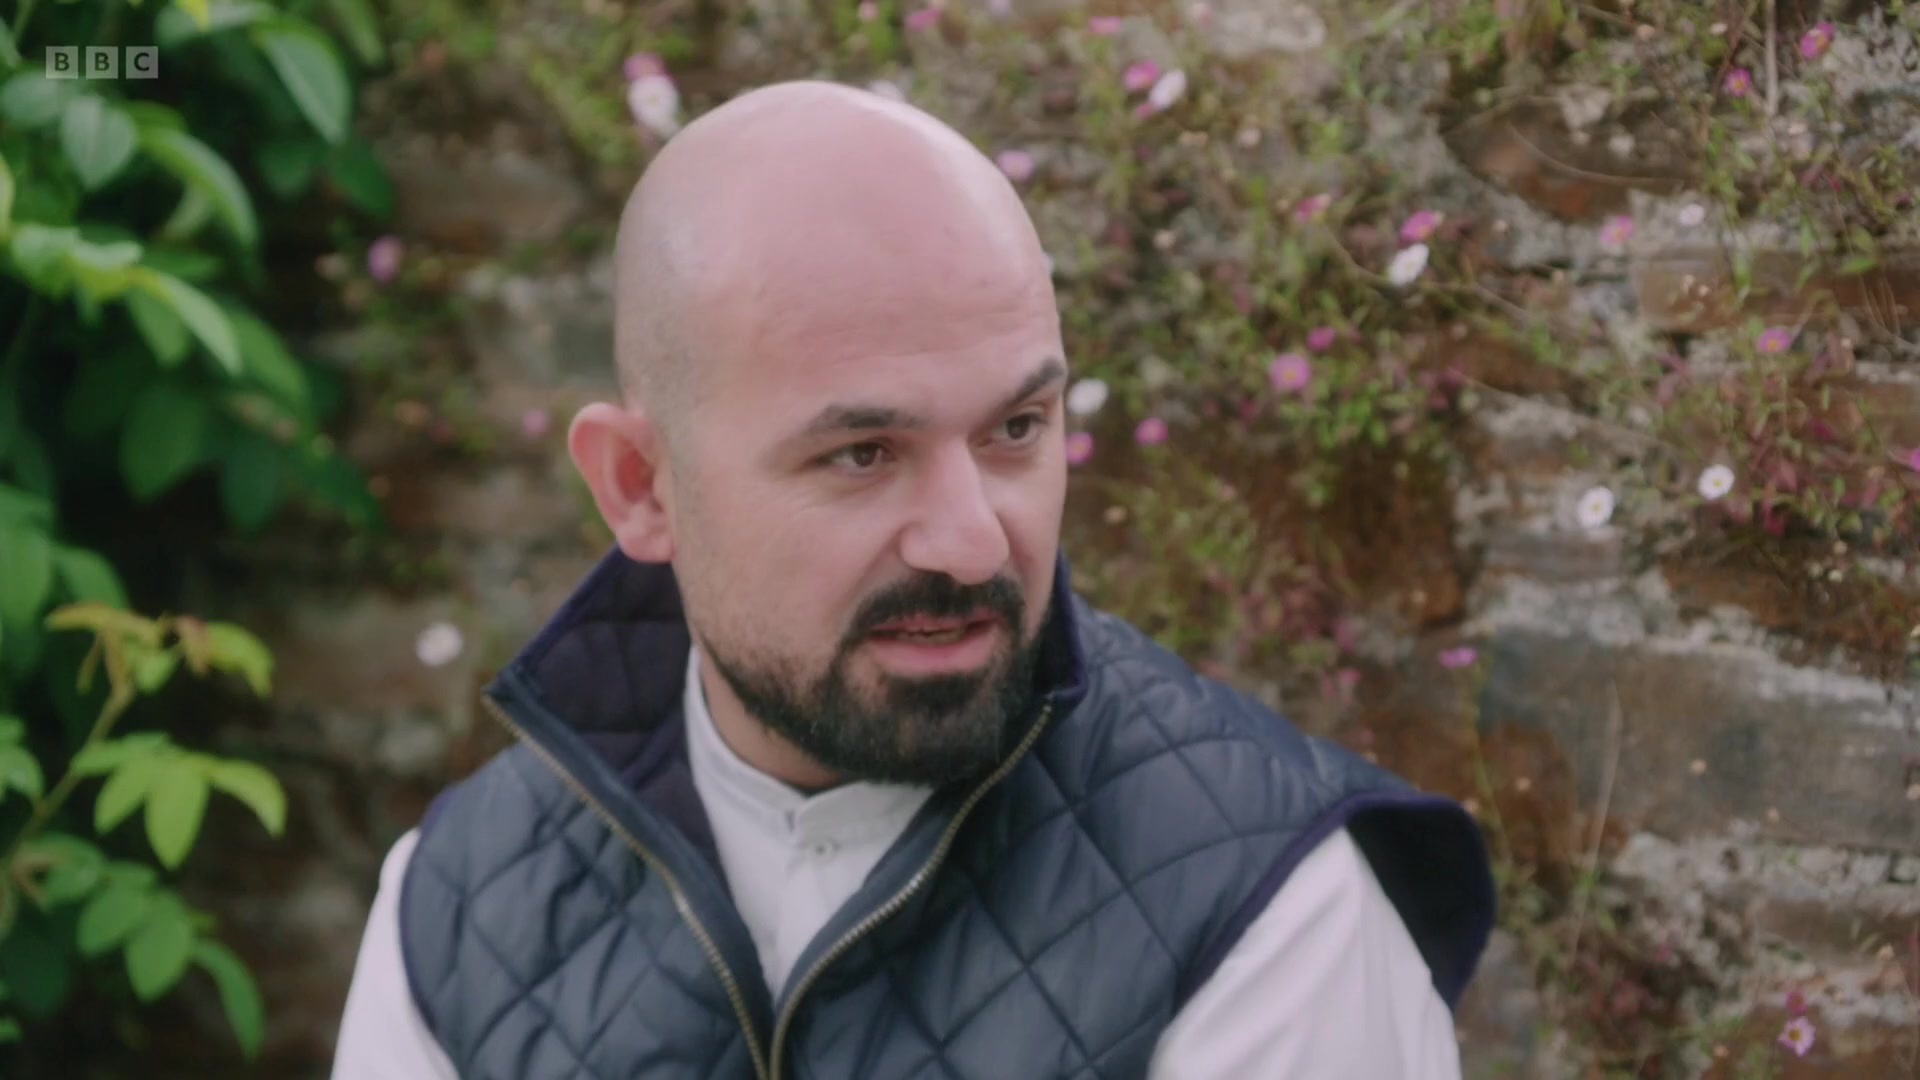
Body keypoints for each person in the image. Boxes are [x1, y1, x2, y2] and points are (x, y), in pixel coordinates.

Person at [331, 79, 1494, 1079]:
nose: (973, 544)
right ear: (641, 484)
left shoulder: (1265, 910)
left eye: (1016, 430)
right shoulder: (457, 907)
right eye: (863, 454)